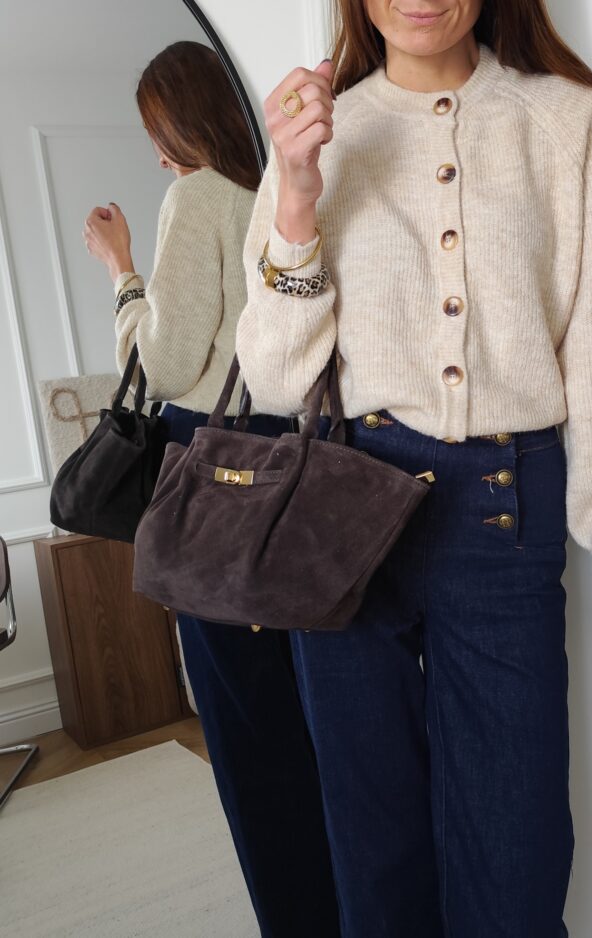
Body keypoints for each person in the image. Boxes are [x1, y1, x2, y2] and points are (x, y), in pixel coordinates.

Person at [236, 1, 592, 936]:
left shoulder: (568, 118)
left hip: (506, 510)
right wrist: (297, 195)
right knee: (376, 856)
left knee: (516, 862)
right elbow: (275, 380)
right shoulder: (320, 131)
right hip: (346, 515)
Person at [82, 40, 340, 938]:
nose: (158, 155)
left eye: (159, 132)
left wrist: (121, 273)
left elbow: (162, 362)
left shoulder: (196, 197)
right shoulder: (271, 190)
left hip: (214, 472)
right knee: (307, 723)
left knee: (246, 732)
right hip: (290, 462)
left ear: (182, 125)